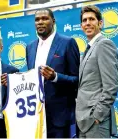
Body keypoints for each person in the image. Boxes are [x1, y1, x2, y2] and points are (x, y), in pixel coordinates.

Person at [26, 8, 80, 138]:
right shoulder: (30, 47)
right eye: (37, 20)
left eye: (44, 18)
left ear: (53, 21)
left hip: (60, 118)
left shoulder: (68, 43)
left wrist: (55, 77)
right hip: (36, 117)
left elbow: (78, 80)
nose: (40, 22)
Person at [76, 5, 118, 138]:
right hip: (83, 121)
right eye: (84, 20)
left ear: (100, 23)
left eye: (91, 19)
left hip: (96, 122)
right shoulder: (89, 48)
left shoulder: (104, 44)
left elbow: (111, 86)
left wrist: (97, 116)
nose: (87, 23)